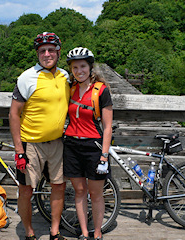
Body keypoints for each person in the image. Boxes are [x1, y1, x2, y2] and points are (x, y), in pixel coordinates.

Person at [9, 32, 70, 240]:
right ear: (37, 53)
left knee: (58, 186)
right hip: (30, 143)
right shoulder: (26, 77)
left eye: (51, 50)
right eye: (42, 51)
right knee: (26, 190)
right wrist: (19, 151)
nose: (47, 54)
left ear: (58, 52)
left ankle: (54, 231)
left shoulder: (65, 76)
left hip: (57, 142)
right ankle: (29, 233)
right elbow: (14, 114)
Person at [63, 47, 113, 240]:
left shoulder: (101, 90)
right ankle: (84, 233)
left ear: (90, 67)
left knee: (96, 193)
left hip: (94, 147)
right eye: (75, 67)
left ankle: (97, 232)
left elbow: (107, 127)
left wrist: (104, 156)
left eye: (83, 66)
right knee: (79, 191)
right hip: (72, 146)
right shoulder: (71, 89)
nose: (79, 70)